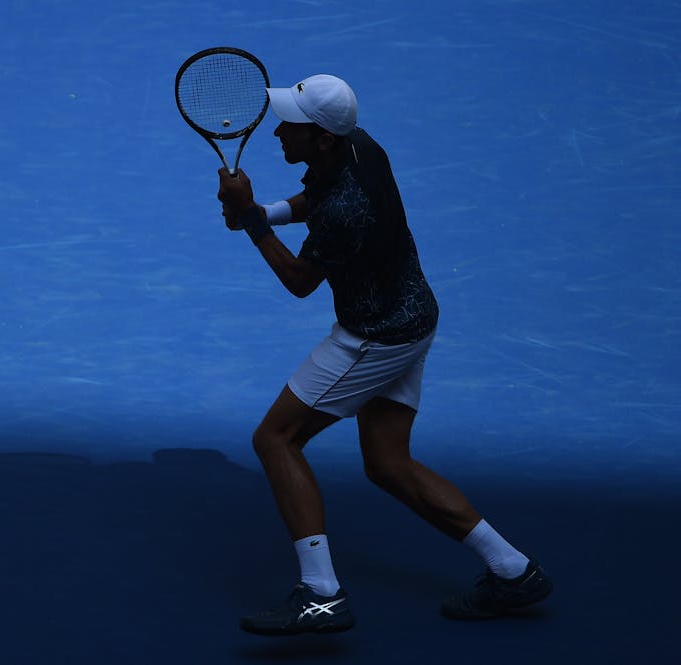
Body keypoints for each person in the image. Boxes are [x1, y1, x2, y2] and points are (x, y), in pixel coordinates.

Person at [215, 74, 553, 636]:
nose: (276, 131)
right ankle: (514, 571)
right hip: (415, 315)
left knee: (275, 439)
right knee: (389, 464)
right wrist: (263, 212)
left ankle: (321, 595)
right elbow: (315, 195)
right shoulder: (359, 144)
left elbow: (300, 280)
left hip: (372, 338)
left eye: (289, 126)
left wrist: (249, 217)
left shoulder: (347, 210)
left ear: (322, 139)